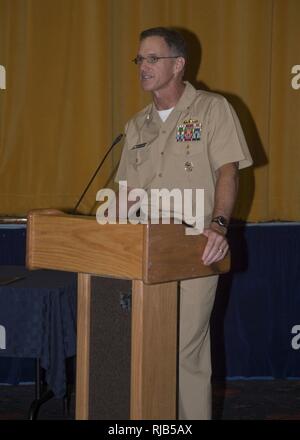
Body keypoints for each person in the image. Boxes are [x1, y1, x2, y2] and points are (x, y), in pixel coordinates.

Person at [115, 27, 253, 420]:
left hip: (195, 248)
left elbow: (229, 172)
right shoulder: (135, 125)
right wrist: (105, 232)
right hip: (146, 253)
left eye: (152, 58)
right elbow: (127, 192)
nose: (144, 66)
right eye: (140, 58)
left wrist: (220, 226)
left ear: (178, 64)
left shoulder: (212, 109)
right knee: (147, 348)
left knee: (184, 350)